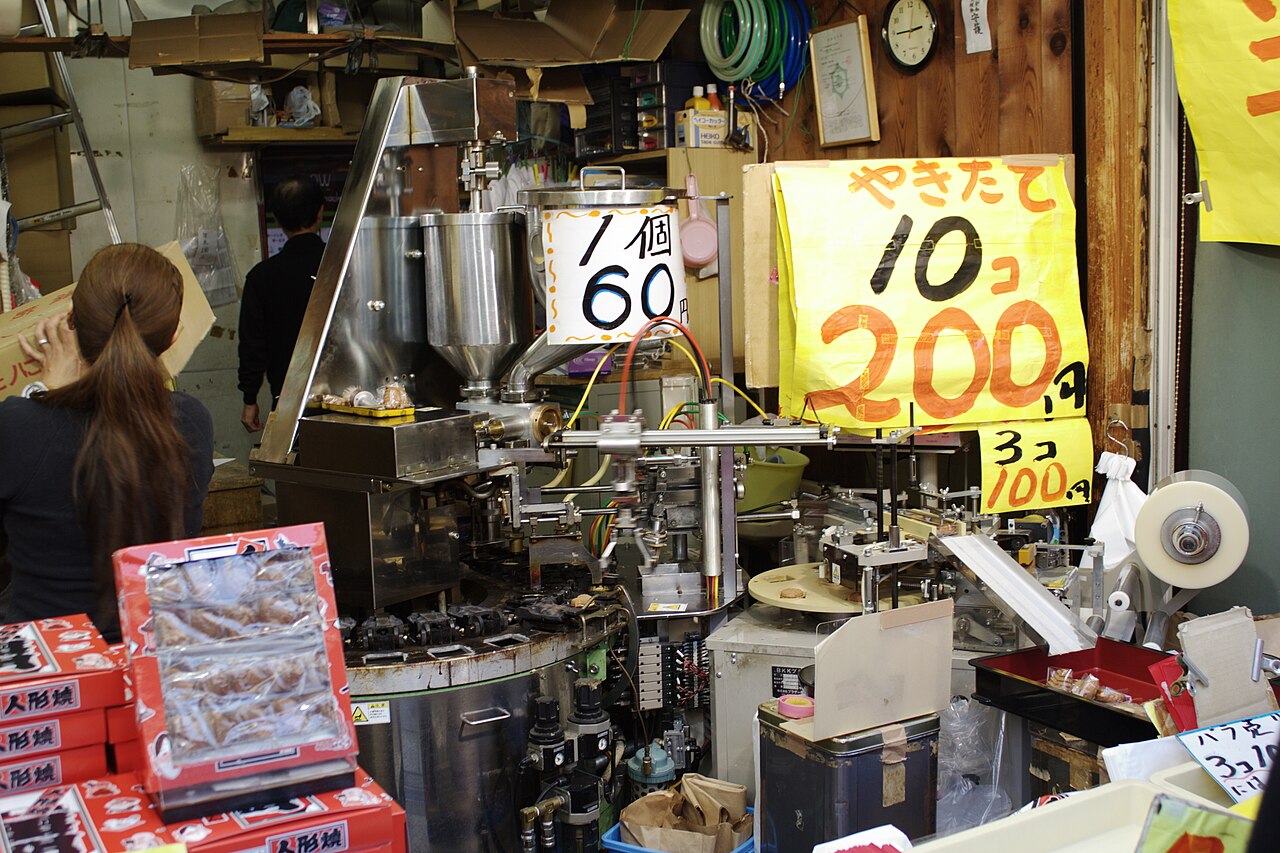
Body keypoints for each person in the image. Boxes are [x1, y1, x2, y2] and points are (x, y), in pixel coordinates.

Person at [0, 243, 214, 641]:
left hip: (46, 661)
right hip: (153, 655)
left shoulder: (19, 425)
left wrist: (45, 393)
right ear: (172, 338)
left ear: (72, 322)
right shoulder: (191, 421)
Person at [238, 175, 326, 432]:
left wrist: (250, 398)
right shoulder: (343, 265)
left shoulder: (261, 277)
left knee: (294, 457)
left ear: (276, 219)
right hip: (351, 398)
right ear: (320, 213)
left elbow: (252, 344)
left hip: (288, 401)